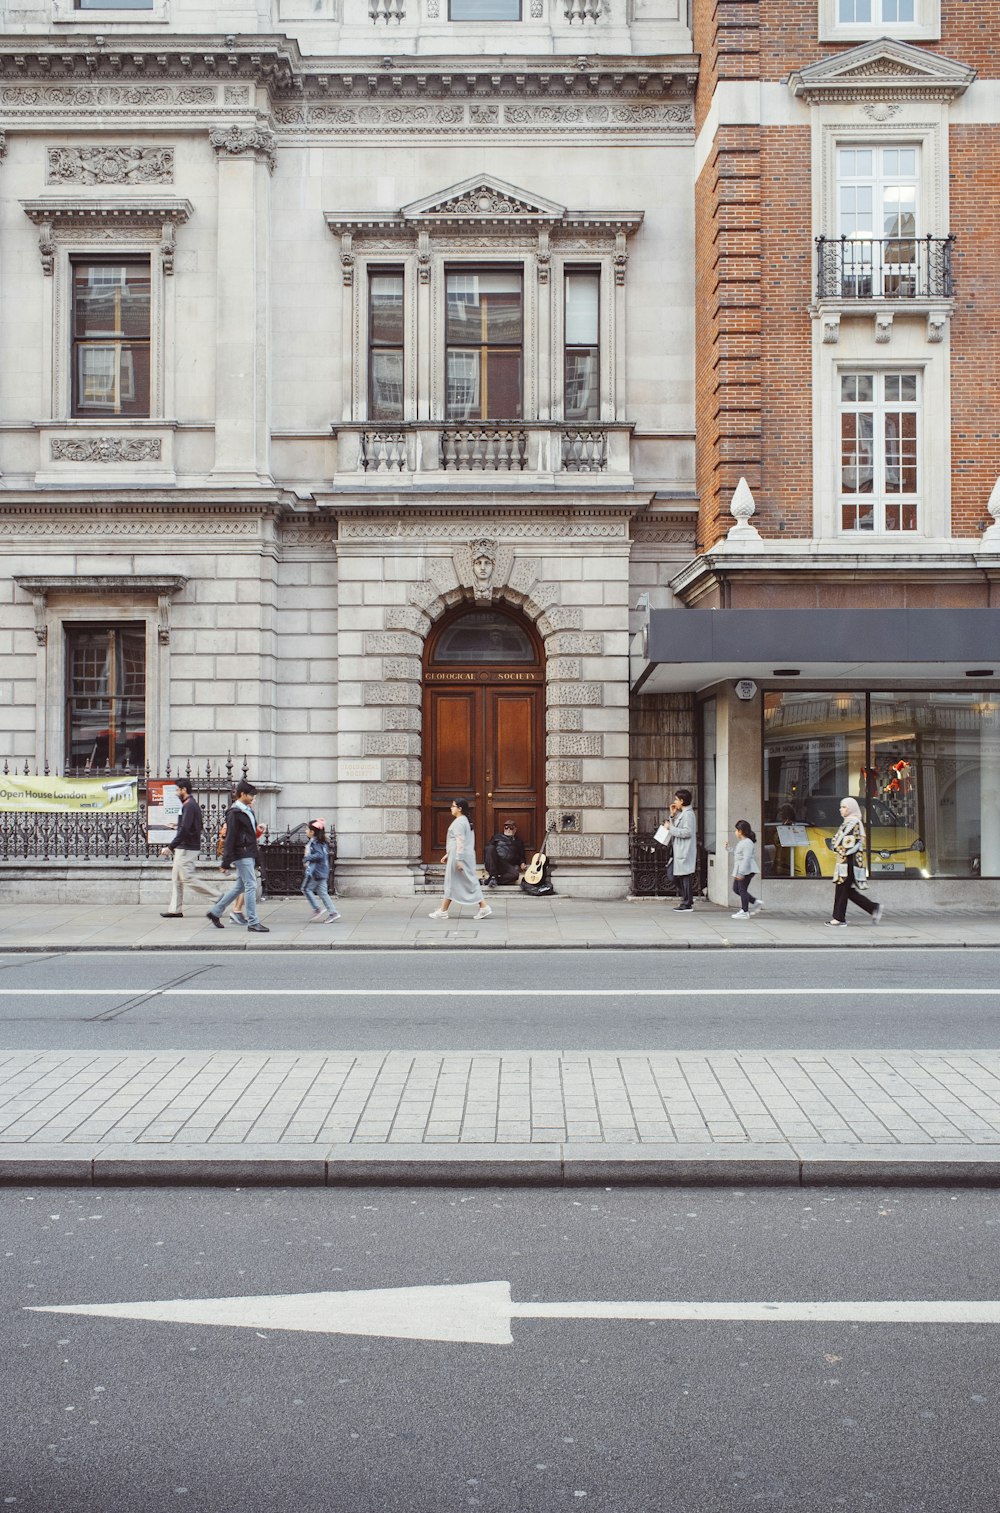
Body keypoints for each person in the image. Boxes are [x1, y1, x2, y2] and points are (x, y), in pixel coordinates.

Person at [207, 782, 270, 934]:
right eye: (251, 795)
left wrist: (258, 832)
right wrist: (226, 861)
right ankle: (253, 922)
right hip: (242, 853)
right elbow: (231, 837)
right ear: (242, 794)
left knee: (240, 886)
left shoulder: (248, 811)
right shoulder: (234, 813)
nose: (253, 798)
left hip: (248, 851)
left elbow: (248, 835)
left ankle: (215, 912)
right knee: (250, 885)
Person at [159, 778, 216, 918]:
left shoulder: (189, 805)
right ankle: (175, 909)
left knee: (187, 878)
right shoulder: (188, 804)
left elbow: (185, 829)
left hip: (186, 847)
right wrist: (176, 826)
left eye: (178, 790)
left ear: (184, 789)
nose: (176, 793)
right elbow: (190, 826)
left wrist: (170, 847)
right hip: (185, 846)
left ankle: (219, 898)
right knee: (176, 878)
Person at [429, 798, 492, 921]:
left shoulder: (459, 822)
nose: (451, 808)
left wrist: (458, 859)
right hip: (462, 855)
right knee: (460, 882)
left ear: (460, 808)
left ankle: (482, 906)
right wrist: (449, 855)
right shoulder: (465, 821)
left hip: (459, 856)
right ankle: (444, 910)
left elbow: (460, 841)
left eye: (453, 806)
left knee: (460, 881)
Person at [826, 795, 883, 929]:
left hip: (848, 861)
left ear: (851, 808)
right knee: (846, 890)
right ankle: (874, 908)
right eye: (841, 807)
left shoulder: (853, 822)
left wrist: (836, 846)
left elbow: (847, 842)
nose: (841, 809)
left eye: (844, 807)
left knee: (842, 888)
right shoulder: (849, 821)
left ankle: (839, 918)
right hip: (847, 861)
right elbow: (838, 840)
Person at [302, 818, 340, 923]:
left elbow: (319, 855)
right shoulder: (322, 842)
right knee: (323, 892)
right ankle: (333, 913)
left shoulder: (315, 843)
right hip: (323, 871)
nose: (305, 831)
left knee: (306, 889)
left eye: (306, 829)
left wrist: (306, 858)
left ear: (312, 832)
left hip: (315, 872)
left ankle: (317, 909)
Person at [666, 787, 697, 911]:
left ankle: (687, 902)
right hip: (679, 850)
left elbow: (687, 832)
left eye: (676, 799)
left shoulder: (689, 814)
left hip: (684, 850)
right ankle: (686, 899)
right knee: (673, 875)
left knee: (685, 877)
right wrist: (672, 815)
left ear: (682, 801)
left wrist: (670, 828)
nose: (675, 802)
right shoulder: (682, 814)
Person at [727, 819, 762, 920]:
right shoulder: (744, 842)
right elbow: (740, 855)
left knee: (741, 889)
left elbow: (746, 858)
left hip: (746, 870)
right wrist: (729, 849)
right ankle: (755, 902)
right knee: (736, 889)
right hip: (743, 869)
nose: (735, 832)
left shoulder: (747, 843)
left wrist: (741, 873)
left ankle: (745, 911)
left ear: (741, 831)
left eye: (736, 830)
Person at [483, 821, 527, 888]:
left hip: (507, 865)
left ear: (515, 829)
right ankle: (493, 876)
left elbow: (521, 856)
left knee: (515, 875)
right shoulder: (496, 837)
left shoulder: (519, 842)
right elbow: (488, 851)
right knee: (490, 848)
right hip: (495, 862)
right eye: (506, 828)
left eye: (511, 828)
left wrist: (522, 863)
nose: (508, 830)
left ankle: (489, 881)